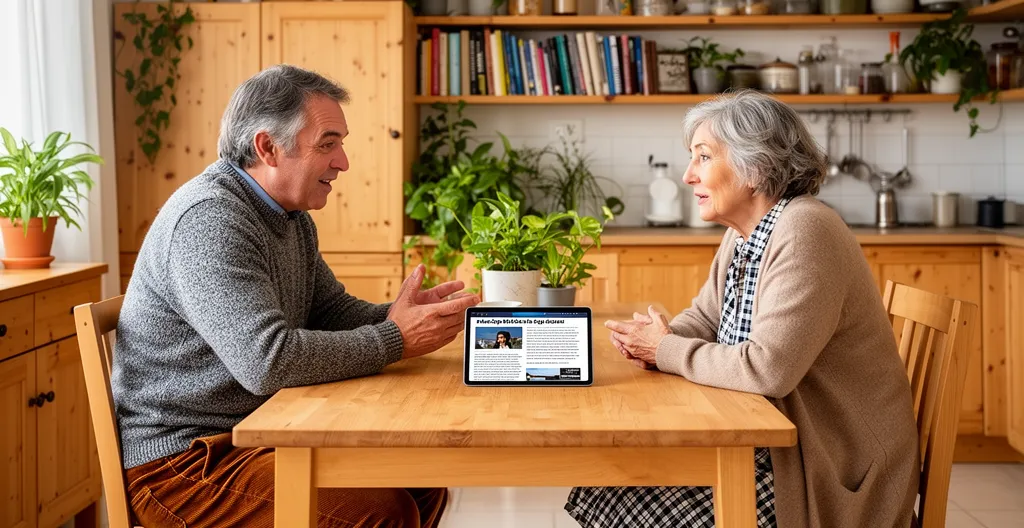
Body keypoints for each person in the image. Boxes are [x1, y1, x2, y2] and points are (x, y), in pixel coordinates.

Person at [113, 64, 479, 527]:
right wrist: (395, 338)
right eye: (328, 144)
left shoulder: (289, 216)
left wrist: (400, 316)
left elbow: (328, 310)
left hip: (255, 432)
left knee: (420, 479)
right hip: (184, 461)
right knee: (382, 512)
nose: (343, 162)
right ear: (268, 147)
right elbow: (267, 362)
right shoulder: (210, 220)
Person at [564, 91, 919, 528]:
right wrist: (660, 336)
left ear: (757, 167)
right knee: (617, 472)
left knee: (627, 483)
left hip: (831, 472)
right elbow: (706, 317)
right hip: (779, 446)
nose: (688, 175)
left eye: (703, 157)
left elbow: (769, 370)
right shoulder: (745, 233)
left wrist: (666, 349)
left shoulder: (807, 229)